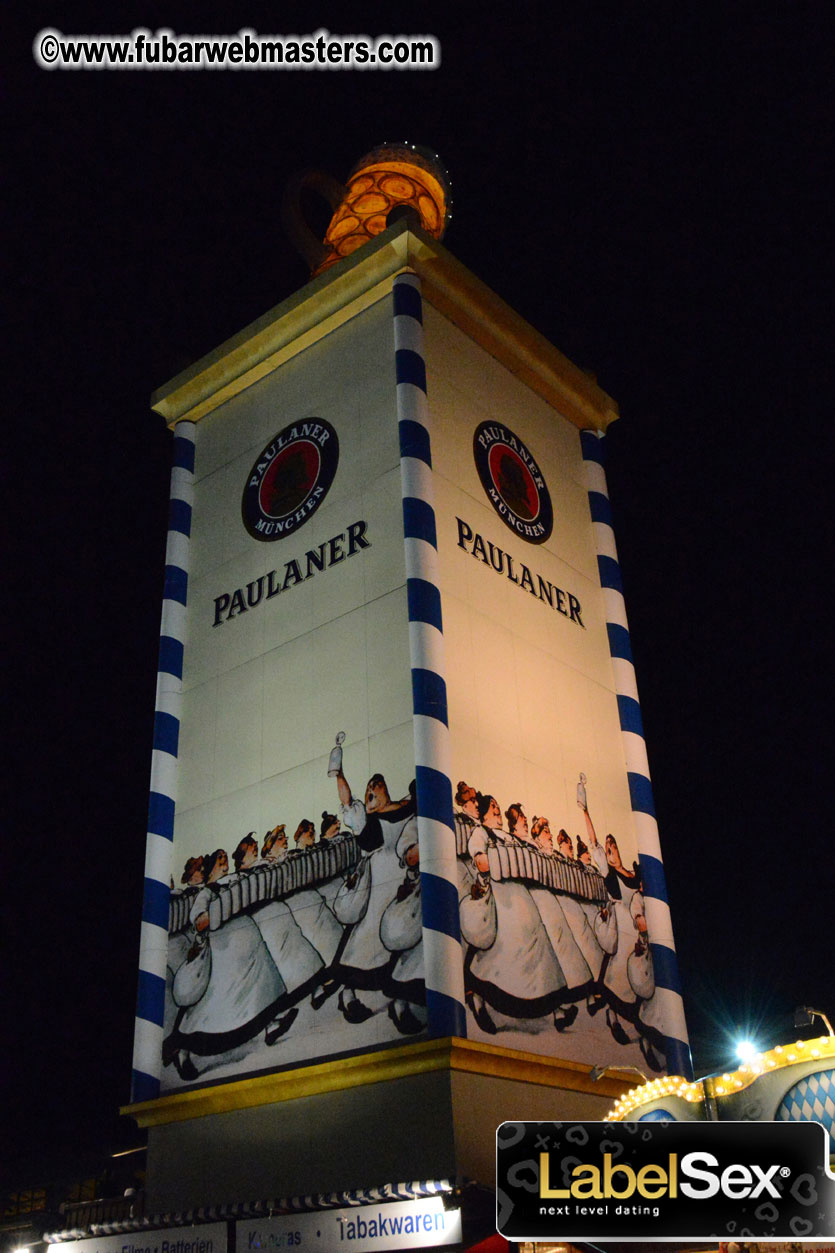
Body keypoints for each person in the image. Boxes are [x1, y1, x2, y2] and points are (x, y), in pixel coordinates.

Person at [164, 849, 289, 1082]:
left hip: (247, 953)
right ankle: (183, 1049)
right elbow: (199, 920)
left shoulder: (232, 884)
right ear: (212, 870)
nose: (225, 865)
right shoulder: (207, 893)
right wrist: (220, 910)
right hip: (223, 956)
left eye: (225, 861)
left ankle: (271, 1024)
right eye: (220, 863)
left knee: (259, 987)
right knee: (211, 1008)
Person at [462, 793, 573, 1035]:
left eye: (498, 807)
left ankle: (558, 1008)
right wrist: (502, 861)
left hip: (522, 895)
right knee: (502, 953)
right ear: (483, 812)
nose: (497, 811)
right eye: (493, 807)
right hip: (501, 898)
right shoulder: (481, 834)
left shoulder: (512, 839)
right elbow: (481, 862)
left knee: (541, 945)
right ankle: (479, 1000)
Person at [328, 765, 418, 1025]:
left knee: (406, 936)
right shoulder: (370, 821)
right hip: (380, 883)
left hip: (405, 880)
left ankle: (400, 1005)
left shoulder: (407, 805)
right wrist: (339, 773)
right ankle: (349, 996)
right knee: (367, 939)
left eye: (375, 783)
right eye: (368, 788)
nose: (372, 786)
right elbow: (346, 801)